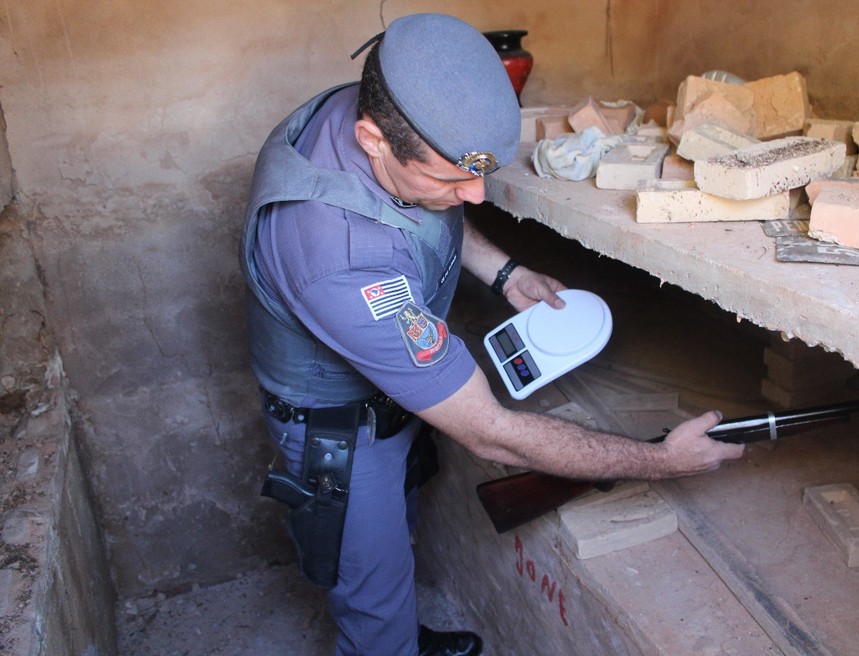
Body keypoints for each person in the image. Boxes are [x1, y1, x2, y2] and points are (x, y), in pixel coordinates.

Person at [240, 12, 744, 656]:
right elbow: (492, 433)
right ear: (373, 139)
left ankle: (399, 633)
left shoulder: (386, 106)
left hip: (387, 394)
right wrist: (664, 463)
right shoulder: (336, 254)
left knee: (394, 546)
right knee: (368, 592)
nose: (477, 196)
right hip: (338, 432)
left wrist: (506, 273)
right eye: (454, 178)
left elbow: (422, 209)